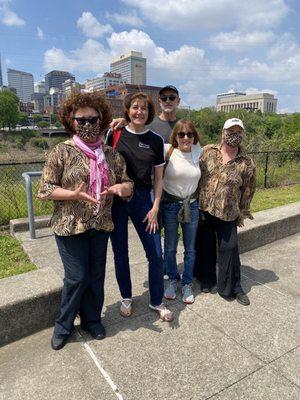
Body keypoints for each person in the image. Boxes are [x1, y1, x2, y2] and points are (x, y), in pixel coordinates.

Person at [38, 92, 133, 350]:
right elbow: (45, 189)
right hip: (69, 225)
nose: (88, 123)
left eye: (93, 118)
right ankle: (64, 325)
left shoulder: (112, 155)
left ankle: (92, 319)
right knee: (77, 277)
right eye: (81, 119)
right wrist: (73, 194)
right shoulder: (61, 151)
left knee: (96, 275)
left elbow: (128, 184)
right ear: (72, 121)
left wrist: (122, 190)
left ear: (102, 120)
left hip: (100, 224)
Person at [106, 92, 174, 321]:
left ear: (149, 112)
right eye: (135, 107)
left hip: (144, 199)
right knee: (120, 251)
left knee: (155, 253)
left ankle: (156, 300)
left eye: (143, 108)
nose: (139, 111)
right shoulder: (115, 134)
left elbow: (159, 179)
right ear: (127, 110)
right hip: (117, 199)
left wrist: (155, 207)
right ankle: (126, 296)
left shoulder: (155, 140)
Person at [194, 118, 256, 306]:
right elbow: (195, 174)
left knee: (229, 249)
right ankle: (206, 279)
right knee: (204, 246)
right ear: (223, 132)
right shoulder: (207, 152)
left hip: (229, 213)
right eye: (230, 131)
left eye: (238, 131)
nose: (233, 135)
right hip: (205, 209)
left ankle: (232, 287)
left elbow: (249, 190)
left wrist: (242, 213)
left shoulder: (247, 162)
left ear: (242, 135)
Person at [162, 120, 202, 304]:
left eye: (190, 134)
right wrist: (122, 123)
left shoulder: (198, 151)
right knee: (170, 247)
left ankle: (187, 282)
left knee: (190, 248)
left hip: (191, 205)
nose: (186, 138)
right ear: (175, 136)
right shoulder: (167, 150)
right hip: (170, 205)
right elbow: (141, 138)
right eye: (181, 134)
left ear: (194, 136)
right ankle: (172, 279)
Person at [109, 85, 180, 143]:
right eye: (164, 98)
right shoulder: (147, 123)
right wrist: (126, 121)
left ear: (178, 101)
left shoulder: (184, 126)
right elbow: (133, 130)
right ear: (160, 101)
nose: (167, 101)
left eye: (172, 98)